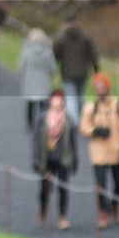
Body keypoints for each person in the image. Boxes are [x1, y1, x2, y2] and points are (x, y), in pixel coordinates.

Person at [78, 72, 119, 229]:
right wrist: (95, 131)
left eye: (102, 87)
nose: (100, 90)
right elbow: (83, 126)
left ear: (108, 88)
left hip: (116, 150)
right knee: (100, 184)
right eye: (97, 87)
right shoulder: (91, 108)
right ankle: (103, 212)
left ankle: (114, 206)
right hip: (98, 152)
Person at [32, 90, 77, 230]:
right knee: (45, 189)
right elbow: (37, 140)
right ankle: (43, 211)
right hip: (47, 159)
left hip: (63, 158)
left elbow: (72, 141)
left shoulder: (68, 119)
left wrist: (74, 159)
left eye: (60, 99)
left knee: (63, 189)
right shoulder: (43, 118)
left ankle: (62, 216)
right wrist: (36, 160)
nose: (58, 102)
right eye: (55, 99)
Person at [54, 13, 100, 125]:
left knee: (70, 98)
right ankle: (83, 119)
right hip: (82, 72)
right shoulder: (85, 37)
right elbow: (93, 55)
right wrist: (96, 70)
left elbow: (56, 53)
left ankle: (74, 123)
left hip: (67, 73)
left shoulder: (62, 38)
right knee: (80, 97)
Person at [17, 28, 57, 129]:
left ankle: (30, 123)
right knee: (43, 103)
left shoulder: (27, 51)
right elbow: (52, 67)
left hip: (30, 80)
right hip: (43, 80)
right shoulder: (48, 52)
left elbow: (22, 65)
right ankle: (43, 122)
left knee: (30, 103)